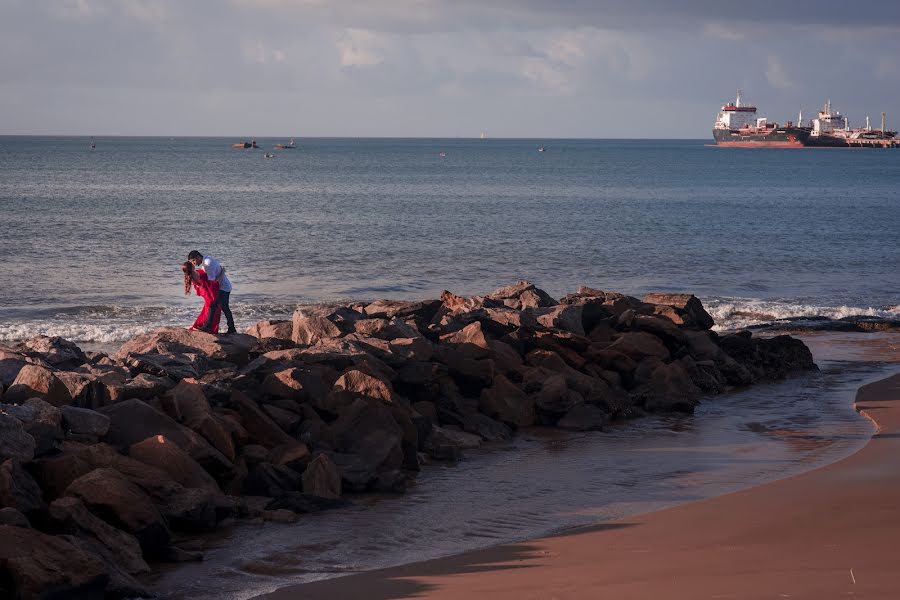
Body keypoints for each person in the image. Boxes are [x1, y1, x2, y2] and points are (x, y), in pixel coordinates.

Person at [187, 250, 236, 334]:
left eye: (194, 260)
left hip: (223, 287)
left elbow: (213, 283)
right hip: (221, 286)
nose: (193, 263)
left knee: (215, 305)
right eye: (191, 262)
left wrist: (222, 273)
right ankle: (231, 328)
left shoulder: (208, 264)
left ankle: (208, 326)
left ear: (198, 257)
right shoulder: (205, 262)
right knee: (221, 307)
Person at [181, 261, 222, 332]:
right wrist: (222, 273)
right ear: (191, 267)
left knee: (206, 313)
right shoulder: (198, 275)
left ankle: (205, 327)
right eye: (191, 263)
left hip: (207, 295)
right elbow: (215, 283)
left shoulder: (192, 275)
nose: (193, 263)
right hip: (211, 295)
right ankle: (209, 329)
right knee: (214, 313)